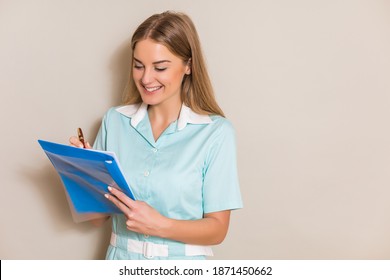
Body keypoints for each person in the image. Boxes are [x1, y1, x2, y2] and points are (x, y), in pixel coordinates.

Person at [70, 11, 242, 260]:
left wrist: (159, 225)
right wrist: (82, 172)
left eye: (160, 67)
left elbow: (217, 229)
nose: (146, 78)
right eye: (138, 65)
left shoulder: (216, 133)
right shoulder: (114, 121)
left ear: (188, 65)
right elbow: (97, 219)